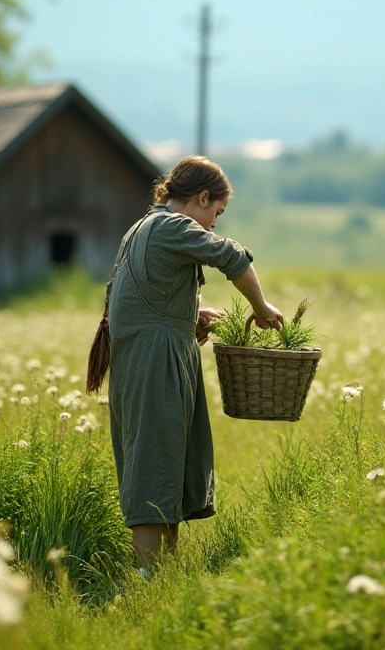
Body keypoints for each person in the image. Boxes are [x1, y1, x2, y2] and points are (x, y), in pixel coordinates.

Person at [95, 156, 283, 573]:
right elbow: (233, 257)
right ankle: (148, 579)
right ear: (201, 198)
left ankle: (165, 575)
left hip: (145, 359)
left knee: (165, 464)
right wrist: (261, 306)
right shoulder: (173, 226)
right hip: (155, 364)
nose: (213, 223)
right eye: (216, 212)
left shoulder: (141, 228)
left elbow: (144, 298)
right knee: (152, 466)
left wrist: (188, 316)